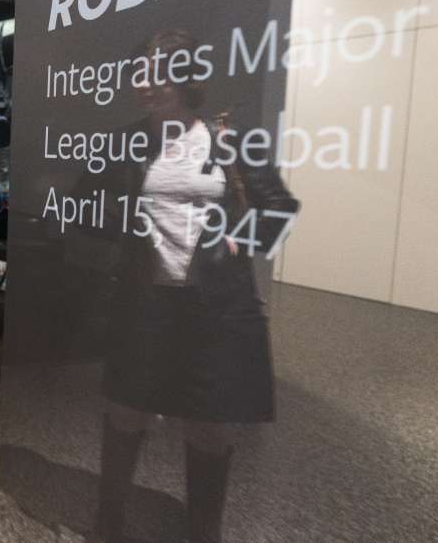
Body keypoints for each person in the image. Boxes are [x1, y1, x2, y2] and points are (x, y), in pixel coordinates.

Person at [85, 31, 299, 543]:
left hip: (217, 308)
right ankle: (108, 521)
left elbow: (277, 209)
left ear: (183, 79)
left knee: (210, 426)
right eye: (137, 74)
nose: (143, 84)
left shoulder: (228, 138)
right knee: (126, 411)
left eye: (155, 74)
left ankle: (204, 533)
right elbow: (90, 204)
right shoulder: (128, 140)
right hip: (146, 304)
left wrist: (233, 243)